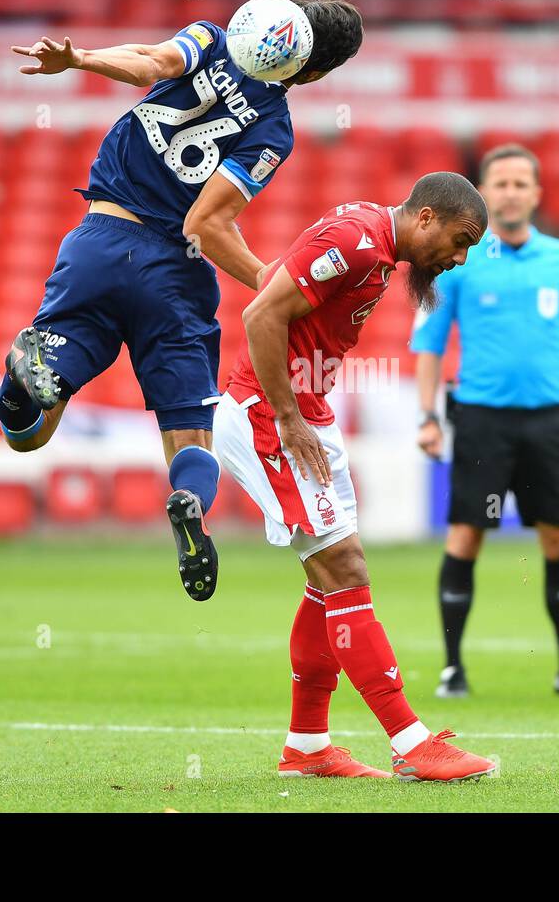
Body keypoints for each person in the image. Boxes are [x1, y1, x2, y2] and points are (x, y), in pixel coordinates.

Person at [0, 0, 363, 600]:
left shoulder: (211, 40)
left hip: (100, 243)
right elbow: (206, 225)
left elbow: (148, 64)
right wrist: (282, 286)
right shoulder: (274, 130)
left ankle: (24, 381)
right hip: (175, 277)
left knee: (29, 434)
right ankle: (189, 503)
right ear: (315, 73)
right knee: (191, 436)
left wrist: (81, 58)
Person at [213, 172, 498, 781]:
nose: (458, 257)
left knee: (330, 581)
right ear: (426, 217)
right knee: (345, 569)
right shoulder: (358, 240)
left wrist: (302, 416)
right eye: (459, 239)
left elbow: (280, 293)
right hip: (271, 416)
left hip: (308, 416)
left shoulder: (373, 247)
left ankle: (308, 746)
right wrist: (287, 417)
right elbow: (262, 312)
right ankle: (411, 742)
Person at [410, 143, 559, 699]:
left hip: (549, 422)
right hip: (480, 420)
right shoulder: (461, 258)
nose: (509, 192)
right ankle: (453, 669)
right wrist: (428, 416)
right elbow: (429, 344)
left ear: (535, 194)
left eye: (519, 183)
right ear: (484, 193)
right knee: (465, 535)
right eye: (498, 183)